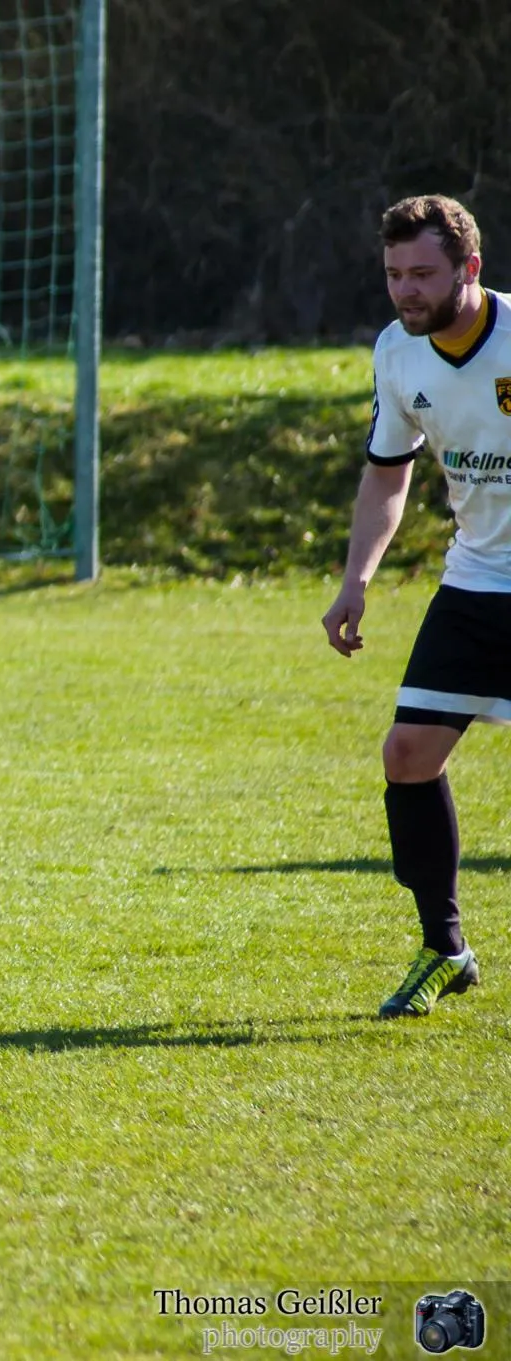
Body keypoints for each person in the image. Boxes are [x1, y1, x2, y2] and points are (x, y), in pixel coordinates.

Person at [321, 193, 504, 1018]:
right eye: (395, 274)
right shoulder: (398, 353)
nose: (406, 290)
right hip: (476, 581)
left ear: (470, 267)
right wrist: (357, 578)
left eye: (423, 273)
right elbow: (386, 475)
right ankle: (446, 947)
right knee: (407, 754)